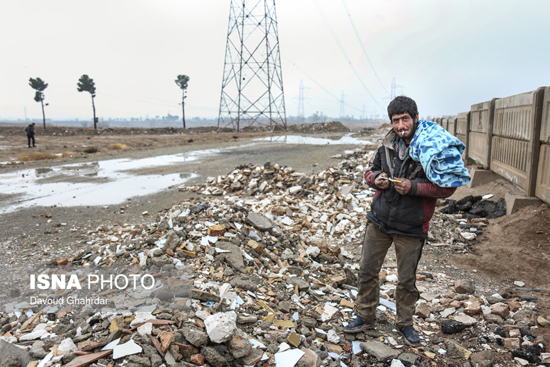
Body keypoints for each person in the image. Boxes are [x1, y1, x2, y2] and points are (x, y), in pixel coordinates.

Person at [344, 96, 469, 345]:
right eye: (396, 120)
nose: (401, 125)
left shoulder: (433, 147)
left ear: (415, 117)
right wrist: (375, 179)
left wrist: (413, 187)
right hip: (379, 220)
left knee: (407, 281)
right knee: (367, 271)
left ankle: (405, 324)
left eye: (405, 119)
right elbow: (370, 171)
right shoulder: (387, 143)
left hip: (411, 226)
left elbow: (447, 187)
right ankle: (365, 316)